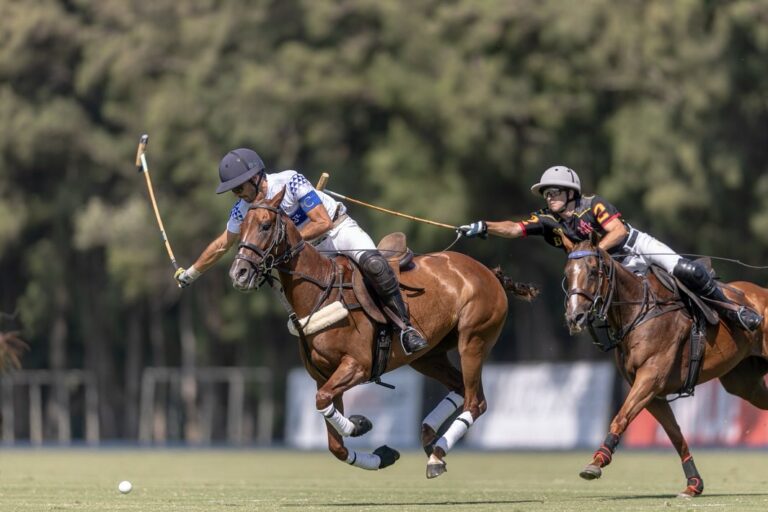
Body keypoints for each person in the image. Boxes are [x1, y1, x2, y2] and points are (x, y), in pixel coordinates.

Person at [173, 148, 429, 354]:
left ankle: (406, 328)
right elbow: (222, 244)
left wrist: (286, 240)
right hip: (312, 253)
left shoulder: (290, 180)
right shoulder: (242, 210)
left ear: (255, 177)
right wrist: (191, 274)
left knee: (374, 264)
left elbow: (323, 222)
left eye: (239, 188)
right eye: (233, 191)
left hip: (338, 232)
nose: (237, 194)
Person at [459, 165, 762, 331]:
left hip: (636, 247)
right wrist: (484, 226)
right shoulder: (547, 220)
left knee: (686, 270)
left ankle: (735, 312)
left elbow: (618, 231)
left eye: (554, 192)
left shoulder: (594, 205)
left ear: (570, 193)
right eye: (546, 193)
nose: (549, 197)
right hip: (612, 267)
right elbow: (514, 228)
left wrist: (595, 253)